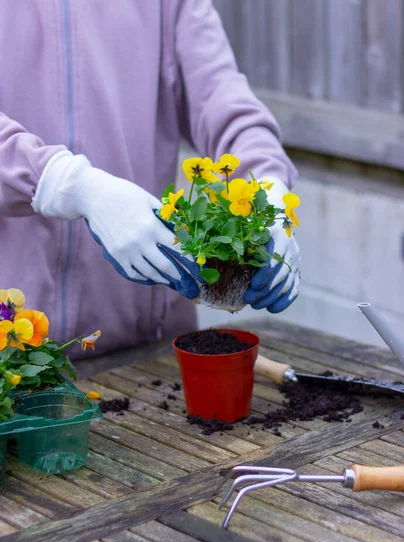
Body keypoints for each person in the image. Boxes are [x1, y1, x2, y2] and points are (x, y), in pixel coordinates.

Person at [0, 0, 300, 358]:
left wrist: (268, 184)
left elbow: (221, 95)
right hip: (12, 355)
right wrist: (63, 182)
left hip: (145, 349)